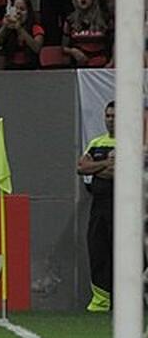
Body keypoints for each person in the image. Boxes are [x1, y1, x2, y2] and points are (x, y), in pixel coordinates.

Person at [77, 101, 114, 312]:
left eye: (115, 116)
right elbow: (82, 167)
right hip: (99, 206)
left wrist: (97, 168)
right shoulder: (97, 142)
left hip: (125, 206)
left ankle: (125, 301)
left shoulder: (134, 142)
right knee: (98, 250)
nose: (111, 120)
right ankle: (101, 301)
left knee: (124, 254)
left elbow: (124, 172)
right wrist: (107, 164)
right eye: (108, 116)